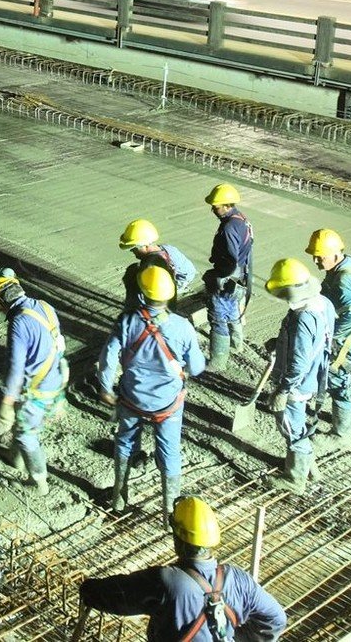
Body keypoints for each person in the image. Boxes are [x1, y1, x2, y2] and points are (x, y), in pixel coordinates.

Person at [79, 495, 287, 642]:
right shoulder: (239, 579)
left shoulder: (167, 581)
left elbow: (117, 596)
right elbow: (276, 619)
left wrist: (87, 589)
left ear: (178, 540)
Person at [98, 265, 206, 522]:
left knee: (125, 442)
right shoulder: (182, 327)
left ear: (141, 294)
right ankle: (170, 514)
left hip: (132, 399)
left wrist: (105, 387)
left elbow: (108, 357)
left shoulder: (126, 321)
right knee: (169, 451)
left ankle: (119, 499)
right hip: (167, 404)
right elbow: (197, 367)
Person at [0, 268, 68, 496]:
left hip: (37, 389)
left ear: (0, 301)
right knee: (25, 422)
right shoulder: (45, 306)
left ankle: (38, 482)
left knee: (25, 433)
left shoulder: (19, 323)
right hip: (55, 378)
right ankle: (15, 457)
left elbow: (15, 368)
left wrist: (7, 401)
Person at [263, 258, 335, 494]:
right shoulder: (322, 303)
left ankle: (295, 479)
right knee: (298, 426)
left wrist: (283, 391)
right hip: (314, 376)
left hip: (298, 385)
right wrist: (282, 342)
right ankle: (310, 469)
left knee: (291, 429)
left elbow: (299, 363)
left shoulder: (304, 317)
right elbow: (318, 341)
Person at [305, 229, 351, 444]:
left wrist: (330, 336)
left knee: (340, 384)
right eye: (314, 256)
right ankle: (345, 421)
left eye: (320, 256)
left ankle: (341, 435)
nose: (316, 260)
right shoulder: (348, 263)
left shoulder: (345, 280)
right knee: (340, 382)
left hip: (348, 342)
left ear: (335, 254)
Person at [203, 183, 255, 371]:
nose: (213, 209)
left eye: (216, 206)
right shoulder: (241, 219)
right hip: (240, 277)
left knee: (218, 317)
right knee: (233, 311)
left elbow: (231, 261)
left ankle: (218, 362)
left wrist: (215, 275)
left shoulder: (228, 227)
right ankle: (236, 344)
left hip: (228, 278)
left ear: (226, 205)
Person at [118, 219, 198, 310]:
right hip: (186, 273)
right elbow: (188, 268)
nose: (132, 251)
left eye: (133, 248)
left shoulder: (150, 266)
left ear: (145, 245)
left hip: (179, 280)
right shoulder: (167, 248)